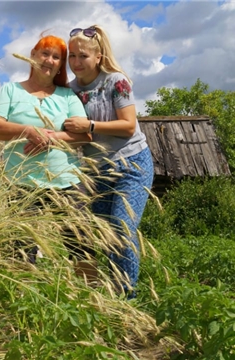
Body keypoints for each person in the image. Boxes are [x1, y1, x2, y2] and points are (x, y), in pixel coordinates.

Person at [0, 34, 94, 269]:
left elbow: (83, 135)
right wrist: (28, 130)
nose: (49, 60)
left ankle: (89, 300)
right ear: (33, 56)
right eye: (45, 53)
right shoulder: (11, 91)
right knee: (22, 252)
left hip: (67, 182)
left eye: (56, 57)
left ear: (60, 65)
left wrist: (50, 139)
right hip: (21, 184)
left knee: (81, 247)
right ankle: (22, 301)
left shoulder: (67, 96)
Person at [64, 25, 154, 298]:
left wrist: (89, 124)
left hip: (132, 164)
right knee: (106, 237)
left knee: (120, 229)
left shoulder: (116, 81)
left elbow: (128, 126)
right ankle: (112, 299)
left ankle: (128, 300)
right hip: (99, 172)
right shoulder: (69, 91)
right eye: (72, 56)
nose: (76, 63)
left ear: (98, 57)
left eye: (83, 56)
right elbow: (75, 135)